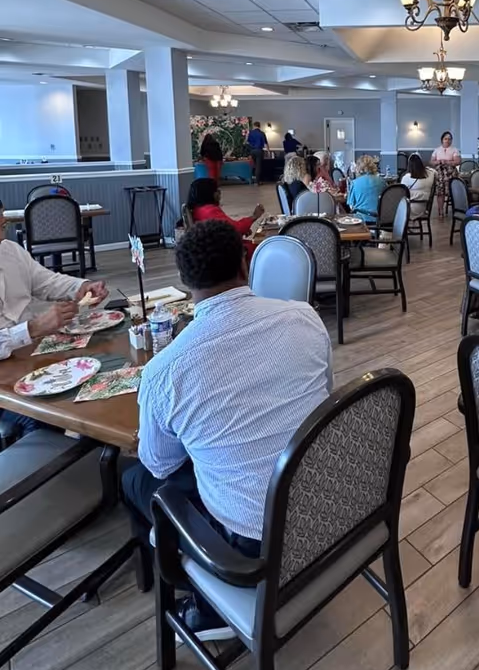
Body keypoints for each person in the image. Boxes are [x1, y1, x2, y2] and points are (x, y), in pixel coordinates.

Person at [121, 219, 332, 640]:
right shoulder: (304, 318)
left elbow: (160, 463)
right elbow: (324, 395)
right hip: (324, 504)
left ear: (184, 282)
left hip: (250, 547)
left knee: (134, 478)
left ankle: (203, 601)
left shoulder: (165, 371)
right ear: (245, 261)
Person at [0, 199, 107, 436]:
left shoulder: (10, 251)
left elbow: (46, 281)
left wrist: (83, 285)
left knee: (93, 375)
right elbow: (31, 330)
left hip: (29, 357)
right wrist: (34, 328)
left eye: (3, 223)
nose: (3, 230)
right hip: (7, 380)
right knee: (42, 418)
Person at [186, 178, 263, 260]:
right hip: (222, 250)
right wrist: (254, 217)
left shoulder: (199, 209)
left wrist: (242, 231)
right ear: (208, 193)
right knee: (262, 249)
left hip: (214, 247)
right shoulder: (208, 211)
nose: (219, 192)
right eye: (216, 190)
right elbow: (234, 229)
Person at [346, 155, 387, 223]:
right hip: (379, 219)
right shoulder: (382, 181)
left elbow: (351, 206)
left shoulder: (355, 183)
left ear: (358, 168)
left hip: (361, 220)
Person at [430, 131, 461, 218]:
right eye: (446, 139)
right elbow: (431, 162)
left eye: (449, 139)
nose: (447, 141)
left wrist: (447, 162)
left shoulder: (454, 150)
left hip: (451, 174)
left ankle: (456, 209)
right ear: (442, 140)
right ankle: (440, 210)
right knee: (440, 193)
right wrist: (439, 161)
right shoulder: (437, 150)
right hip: (440, 174)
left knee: (453, 192)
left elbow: (458, 161)